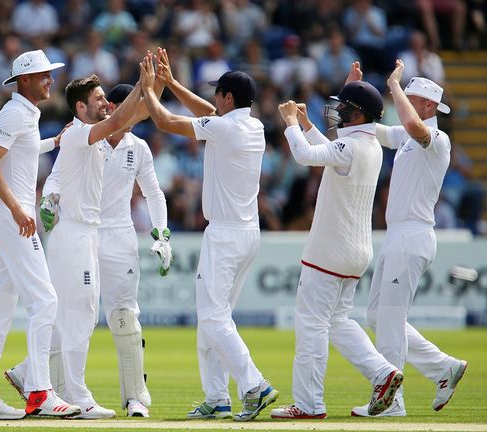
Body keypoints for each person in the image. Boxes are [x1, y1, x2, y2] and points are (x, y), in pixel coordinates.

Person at [10, 83, 171, 418]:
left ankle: (134, 397)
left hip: (116, 236)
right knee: (70, 313)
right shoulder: (87, 135)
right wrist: (49, 199)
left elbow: (154, 192)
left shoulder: (136, 147)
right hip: (81, 232)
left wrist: (163, 233)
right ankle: (56, 389)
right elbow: (56, 176)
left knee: (123, 316)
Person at [140, 48, 278, 422]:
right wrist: (172, 83)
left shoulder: (225, 127)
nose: (215, 97)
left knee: (214, 318)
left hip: (225, 236)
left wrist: (149, 87)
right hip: (247, 233)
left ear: (228, 98)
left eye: (218, 93)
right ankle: (217, 397)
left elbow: (166, 121)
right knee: (214, 320)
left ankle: (255, 385)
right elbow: (208, 113)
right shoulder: (252, 125)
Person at [272, 69, 403, 419]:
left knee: (311, 324)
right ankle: (383, 372)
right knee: (339, 321)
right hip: (356, 252)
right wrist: (304, 120)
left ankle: (309, 404)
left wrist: (289, 123)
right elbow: (329, 150)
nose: (339, 112)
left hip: (329, 251)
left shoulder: (351, 146)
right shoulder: (369, 144)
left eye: (345, 108)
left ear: (358, 115)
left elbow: (305, 155)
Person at [0, 49, 82, 420]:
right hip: (12, 216)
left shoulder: (26, 114)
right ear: (26, 80)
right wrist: (18, 207)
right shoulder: (15, 112)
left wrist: (54, 142)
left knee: (1, 308)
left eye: (51, 74)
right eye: (44, 75)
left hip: (10, 214)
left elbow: (21, 152)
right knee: (45, 301)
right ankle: (39, 393)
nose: (51, 80)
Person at [350, 60, 467, 417]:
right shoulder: (406, 135)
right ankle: (443, 367)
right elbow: (373, 131)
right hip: (398, 234)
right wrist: (354, 93)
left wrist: (394, 85)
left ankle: (392, 402)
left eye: (410, 98)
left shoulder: (437, 139)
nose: (403, 103)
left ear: (429, 105)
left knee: (390, 317)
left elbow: (414, 126)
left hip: (413, 234)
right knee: (377, 315)